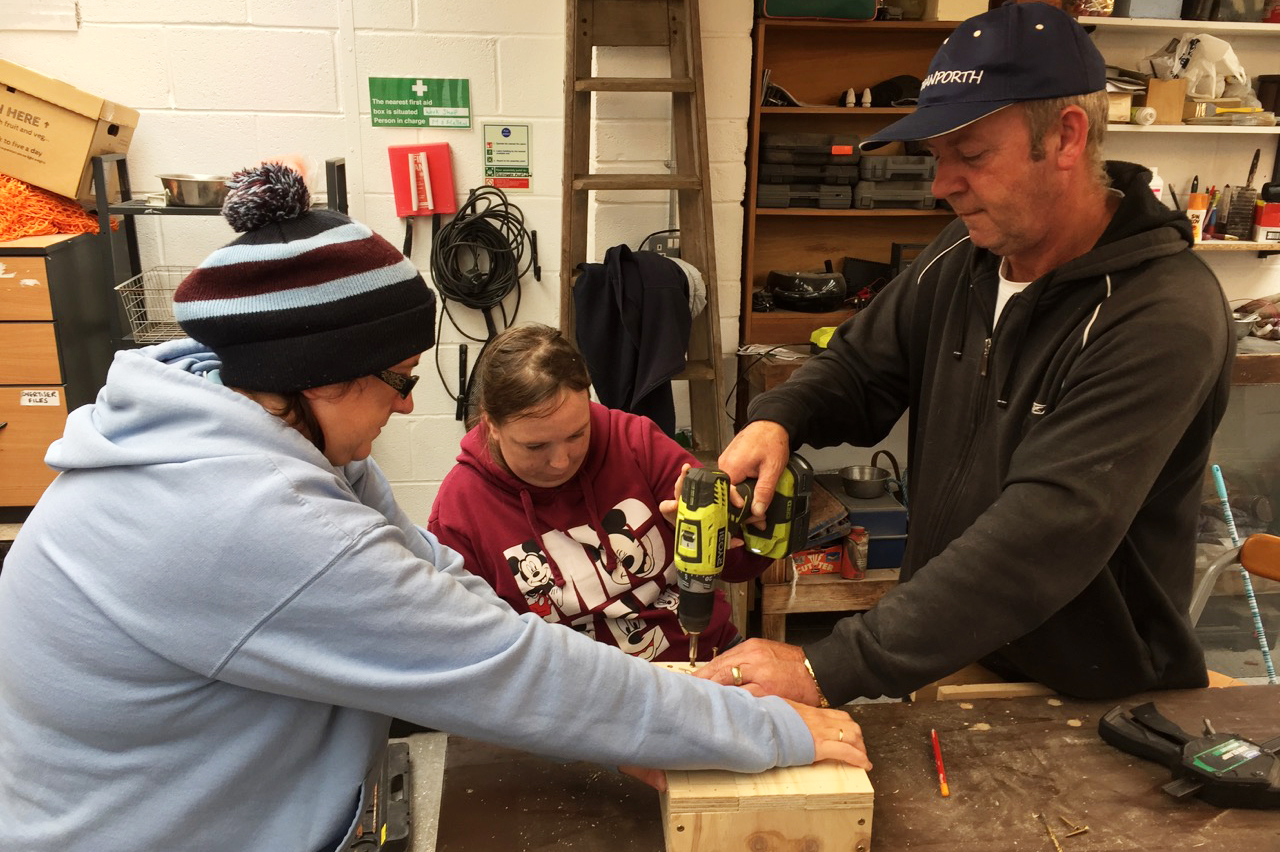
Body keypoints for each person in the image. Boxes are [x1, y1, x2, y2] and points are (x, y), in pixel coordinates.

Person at [0, 164, 869, 851]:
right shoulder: (237, 517)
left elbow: (445, 584)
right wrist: (762, 730)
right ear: (320, 379)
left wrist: (633, 714)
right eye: (400, 381)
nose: (410, 406)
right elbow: (498, 663)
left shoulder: (267, 443)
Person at [696, 2, 1234, 706]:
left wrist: (828, 666)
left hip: (1089, 696)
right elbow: (861, 367)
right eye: (936, 157)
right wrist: (780, 418)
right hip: (958, 652)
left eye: (971, 154)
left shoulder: (1161, 316)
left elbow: (1040, 539)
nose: (943, 184)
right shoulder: (967, 252)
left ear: (1067, 137)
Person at [429, 322, 771, 663]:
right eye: (535, 446)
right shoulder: (460, 510)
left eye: (577, 435)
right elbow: (471, 650)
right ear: (491, 427)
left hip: (699, 656)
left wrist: (735, 529)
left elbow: (739, 568)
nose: (561, 462)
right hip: (571, 690)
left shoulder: (635, 442)